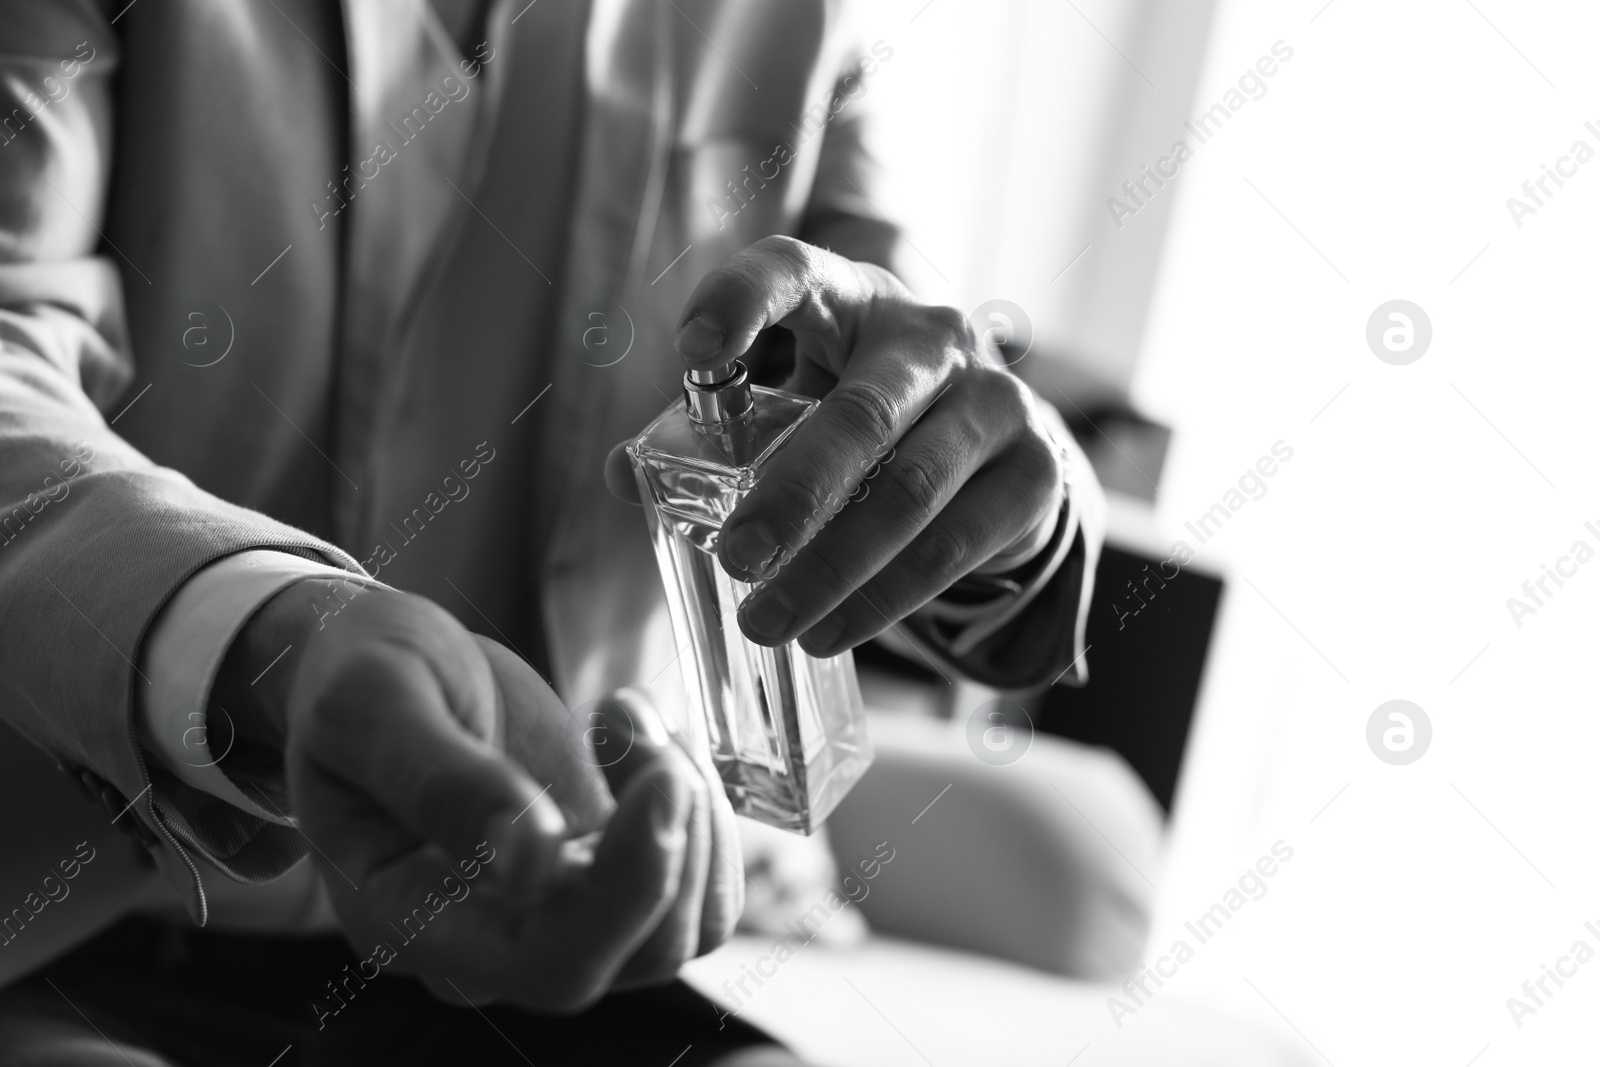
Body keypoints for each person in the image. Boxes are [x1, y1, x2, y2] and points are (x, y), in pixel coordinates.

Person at [0, 0, 1103, 1063]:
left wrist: (1014, 499)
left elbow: (907, 346)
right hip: (73, 916)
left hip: (571, 933)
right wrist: (271, 638)